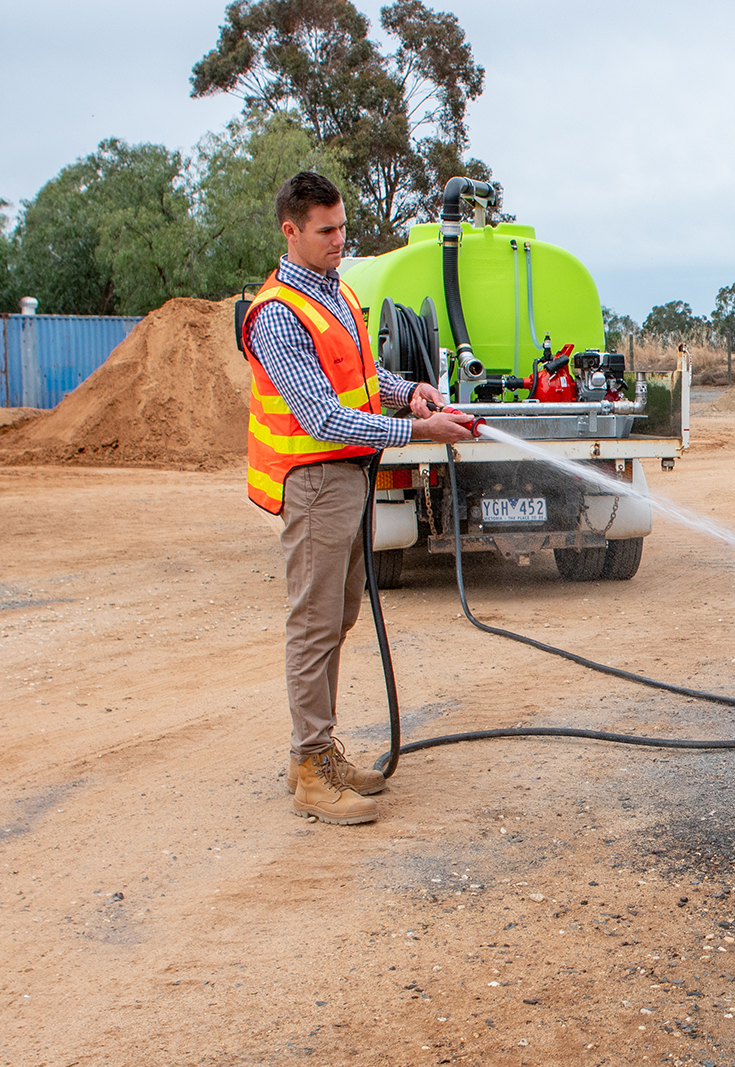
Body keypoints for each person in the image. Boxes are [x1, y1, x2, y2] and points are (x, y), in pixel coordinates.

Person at [242, 171, 475, 825]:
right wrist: (420, 432)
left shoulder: (337, 291)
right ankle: (311, 771)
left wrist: (410, 393)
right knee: (314, 624)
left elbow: (363, 379)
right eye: (326, 231)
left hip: (351, 478)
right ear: (291, 231)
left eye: (342, 226)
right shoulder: (278, 314)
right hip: (315, 482)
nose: (339, 239)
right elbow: (321, 415)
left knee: (338, 616)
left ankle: (315, 753)